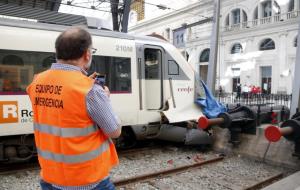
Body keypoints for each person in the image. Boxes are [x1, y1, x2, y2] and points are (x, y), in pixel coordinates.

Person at [27, 27, 121, 190]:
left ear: (57, 53)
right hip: (88, 180)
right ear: (87, 54)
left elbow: (61, 110)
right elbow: (114, 131)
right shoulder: (91, 90)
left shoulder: (36, 82)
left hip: (50, 177)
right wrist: (103, 98)